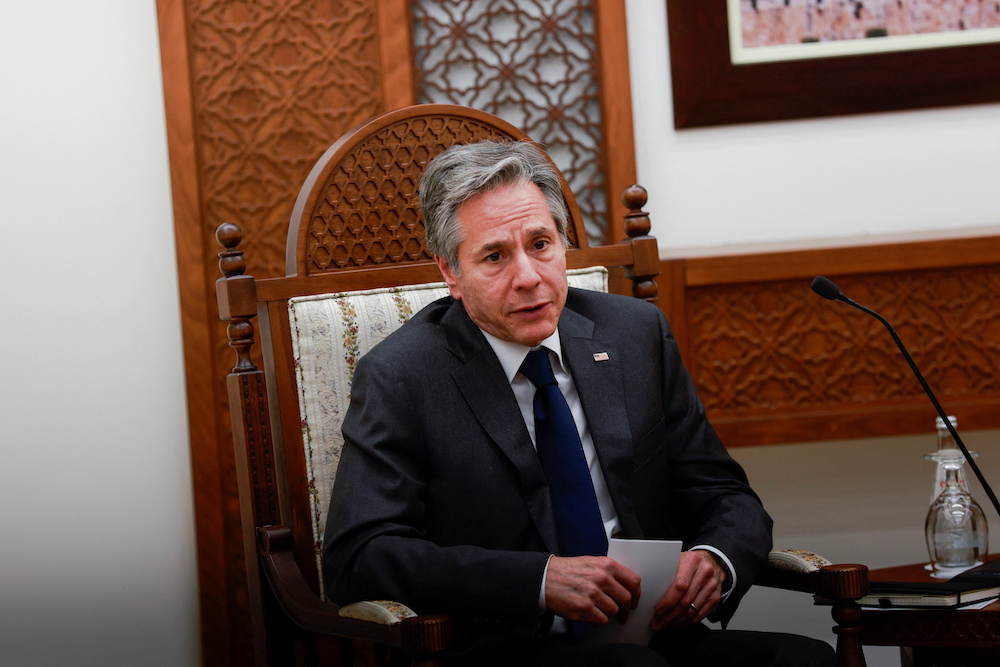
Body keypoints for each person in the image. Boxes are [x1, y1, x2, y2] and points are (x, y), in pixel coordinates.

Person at [323, 140, 837, 666]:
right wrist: (540, 580)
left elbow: (722, 493)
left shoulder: (635, 335)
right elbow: (358, 556)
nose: (528, 277)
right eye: (495, 256)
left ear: (563, 245)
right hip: (508, 646)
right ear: (450, 273)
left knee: (806, 660)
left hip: (654, 632)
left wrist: (715, 559)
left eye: (540, 244)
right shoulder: (402, 376)